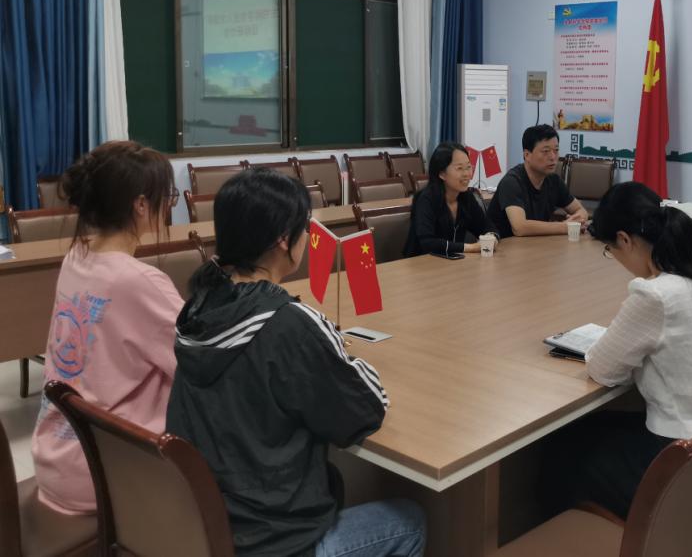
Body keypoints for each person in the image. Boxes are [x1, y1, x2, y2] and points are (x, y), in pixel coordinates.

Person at [167, 169, 425, 557]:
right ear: (284, 240)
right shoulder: (288, 323)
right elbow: (365, 410)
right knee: (410, 521)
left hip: (207, 524)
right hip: (271, 540)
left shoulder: (198, 308)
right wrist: (341, 354)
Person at [546, 181, 692, 519]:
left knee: (560, 448)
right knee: (604, 429)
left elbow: (602, 369)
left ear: (625, 240)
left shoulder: (656, 295)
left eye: (611, 250)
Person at [32, 141, 182, 514]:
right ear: (141, 205)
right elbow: (198, 363)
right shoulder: (139, 281)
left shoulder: (76, 256)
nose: (169, 206)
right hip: (105, 471)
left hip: (55, 457)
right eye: (168, 197)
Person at [486, 124, 587, 238]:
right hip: (503, 246)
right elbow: (520, 228)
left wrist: (577, 220)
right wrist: (565, 226)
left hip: (535, 244)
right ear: (527, 155)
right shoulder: (512, 182)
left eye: (556, 150)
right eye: (546, 151)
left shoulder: (553, 180)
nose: (553, 157)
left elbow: (580, 210)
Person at [403, 142, 500, 257]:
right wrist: (470, 247)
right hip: (421, 263)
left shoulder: (466, 197)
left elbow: (486, 226)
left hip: (453, 262)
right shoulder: (426, 200)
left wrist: (492, 237)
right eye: (459, 168)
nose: (467, 174)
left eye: (468, 167)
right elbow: (428, 243)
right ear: (442, 174)